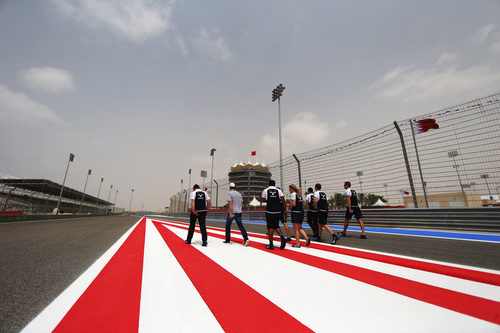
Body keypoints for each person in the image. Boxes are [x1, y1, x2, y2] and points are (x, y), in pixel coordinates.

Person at [261, 180, 288, 250]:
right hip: (278, 212)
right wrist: (285, 210)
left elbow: (263, 200)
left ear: (268, 184)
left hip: (269, 212)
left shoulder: (265, 190)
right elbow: (283, 200)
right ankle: (282, 238)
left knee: (270, 227)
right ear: (274, 184)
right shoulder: (279, 191)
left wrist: (269, 200)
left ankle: (271, 244)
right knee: (276, 226)